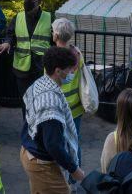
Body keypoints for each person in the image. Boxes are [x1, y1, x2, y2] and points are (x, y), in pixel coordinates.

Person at [20, 45, 83, 193]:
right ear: (58, 71)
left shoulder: (39, 84)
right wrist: (74, 169)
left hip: (29, 152)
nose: (72, 73)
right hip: (41, 163)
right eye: (69, 69)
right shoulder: (51, 104)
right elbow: (53, 145)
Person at [0, 0, 52, 97]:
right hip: (22, 68)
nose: (27, 1)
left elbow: (55, 39)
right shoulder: (18, 17)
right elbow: (10, 34)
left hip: (41, 66)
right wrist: (7, 42)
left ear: (39, 2)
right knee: (25, 101)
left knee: (40, 99)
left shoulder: (49, 17)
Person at [52, 18, 86, 169]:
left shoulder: (52, 56)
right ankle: (75, 177)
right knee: (74, 141)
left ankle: (62, 175)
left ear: (57, 35)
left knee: (58, 142)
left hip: (58, 107)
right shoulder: (77, 53)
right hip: (76, 107)